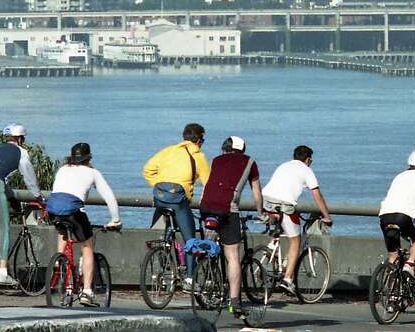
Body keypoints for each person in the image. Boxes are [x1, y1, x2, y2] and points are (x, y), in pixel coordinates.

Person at [45, 142, 121, 306]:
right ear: (88, 158)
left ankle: (60, 260)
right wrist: (115, 219)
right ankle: (87, 291)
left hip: (52, 208)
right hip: (73, 209)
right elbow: (109, 197)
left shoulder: (63, 169)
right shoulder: (93, 173)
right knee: (87, 246)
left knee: (63, 230)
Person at [198, 136, 263, 319]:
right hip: (228, 210)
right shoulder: (249, 162)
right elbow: (256, 191)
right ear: (242, 149)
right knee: (232, 255)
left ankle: (207, 273)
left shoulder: (216, 160)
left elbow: (209, 184)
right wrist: (260, 212)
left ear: (224, 148)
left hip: (205, 207)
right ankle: (235, 302)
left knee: (211, 241)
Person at [142, 123, 210, 284]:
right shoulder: (198, 156)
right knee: (190, 239)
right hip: (179, 201)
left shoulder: (168, 151)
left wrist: (159, 185)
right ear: (199, 140)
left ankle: (164, 256)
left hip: (160, 198)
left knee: (165, 232)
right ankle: (189, 279)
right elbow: (209, 183)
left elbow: (147, 169)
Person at [0, 123, 43, 286]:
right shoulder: (21, 152)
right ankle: (3, 272)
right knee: (4, 227)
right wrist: (38, 196)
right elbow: (28, 176)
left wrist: (12, 199)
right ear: (20, 139)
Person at [261, 145, 333, 297]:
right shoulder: (306, 170)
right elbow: (317, 195)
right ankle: (287, 279)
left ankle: (272, 248)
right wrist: (326, 216)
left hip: (266, 200)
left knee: (278, 229)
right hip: (285, 205)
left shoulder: (284, 165)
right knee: (295, 241)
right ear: (308, 159)